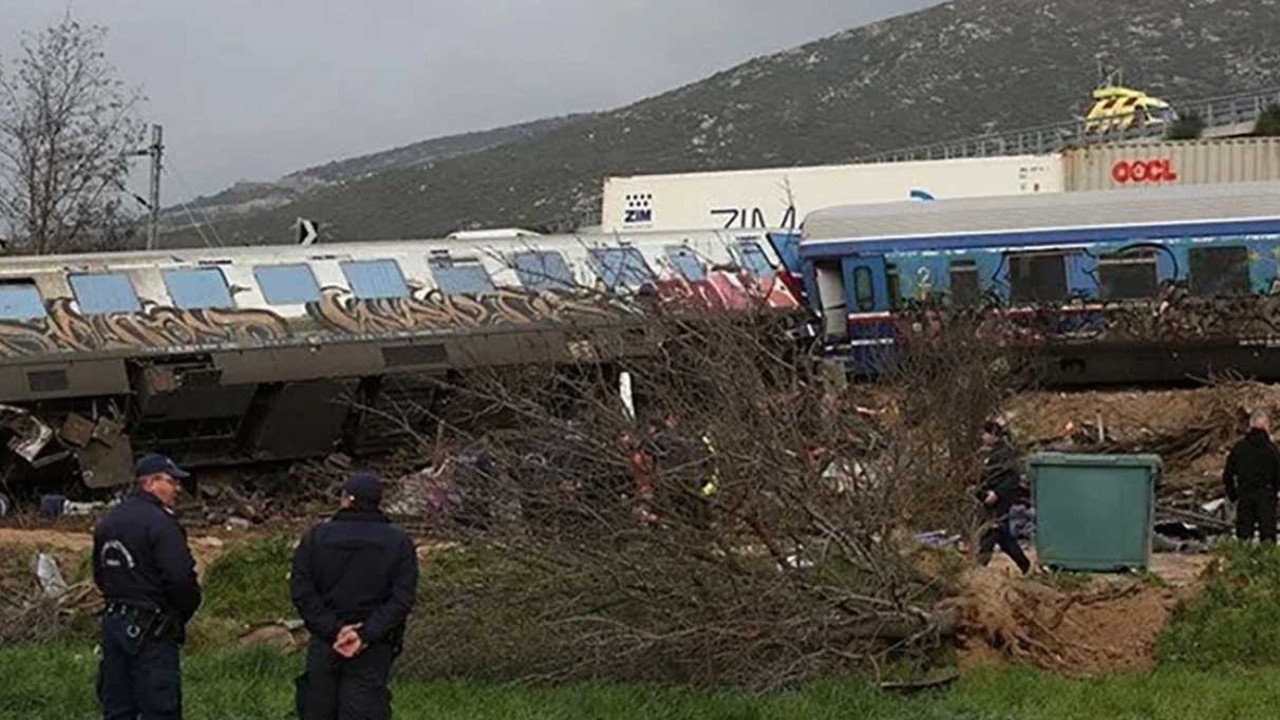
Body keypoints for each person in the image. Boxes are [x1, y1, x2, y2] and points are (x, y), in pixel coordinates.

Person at [291, 472, 419, 720]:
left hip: (326, 641)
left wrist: (333, 630)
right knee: (365, 708)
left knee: (318, 707)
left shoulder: (316, 538)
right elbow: (401, 599)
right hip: (374, 644)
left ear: (347, 500)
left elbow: (302, 592)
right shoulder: (399, 543)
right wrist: (364, 634)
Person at [92, 453, 202, 720]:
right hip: (152, 630)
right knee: (160, 708)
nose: (177, 488)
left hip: (113, 625)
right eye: (172, 481)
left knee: (118, 708)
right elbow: (180, 579)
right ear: (150, 483)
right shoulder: (161, 523)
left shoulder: (109, 521)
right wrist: (181, 614)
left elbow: (100, 574)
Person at [975, 422, 1032, 574]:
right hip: (988, 498)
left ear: (994, 434)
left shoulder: (1005, 453)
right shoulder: (987, 453)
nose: (982, 437)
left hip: (999, 500)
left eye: (985, 433)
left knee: (991, 530)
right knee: (1003, 537)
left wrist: (997, 493)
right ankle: (1025, 564)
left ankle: (979, 566)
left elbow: (1012, 479)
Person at [1224, 410, 1280, 543]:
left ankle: (1242, 562)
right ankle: (1267, 563)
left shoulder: (1239, 448)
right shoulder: (1271, 450)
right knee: (1267, 537)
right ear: (1266, 425)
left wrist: (1233, 494)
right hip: (1265, 496)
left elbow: (1227, 474)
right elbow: (1278, 474)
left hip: (1245, 494)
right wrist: (1275, 493)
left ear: (1250, 425)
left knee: (1244, 537)